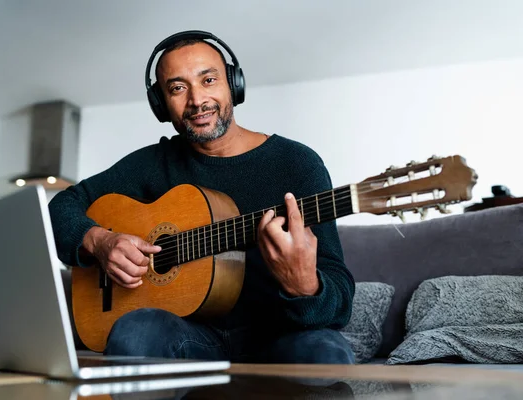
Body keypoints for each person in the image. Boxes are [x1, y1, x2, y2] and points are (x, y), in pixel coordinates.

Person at [48, 31, 355, 364]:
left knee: (327, 353)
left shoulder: (297, 163)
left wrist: (305, 286)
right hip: (189, 337)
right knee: (136, 332)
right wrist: (99, 241)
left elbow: (338, 298)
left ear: (233, 84)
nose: (196, 100)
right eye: (178, 88)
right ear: (160, 104)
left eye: (208, 80)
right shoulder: (153, 164)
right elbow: (60, 207)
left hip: (278, 337)